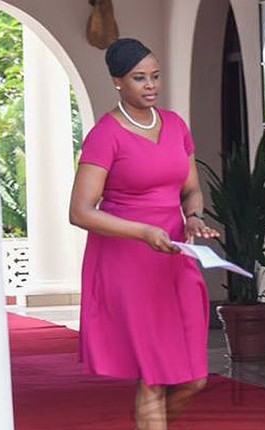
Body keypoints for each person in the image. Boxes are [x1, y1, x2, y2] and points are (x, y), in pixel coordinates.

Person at [69, 38, 219, 430]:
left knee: (195, 378)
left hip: (175, 259)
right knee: (153, 377)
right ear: (118, 82)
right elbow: (80, 211)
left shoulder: (175, 125)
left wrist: (194, 218)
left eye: (155, 76)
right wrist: (142, 232)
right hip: (129, 262)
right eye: (140, 78)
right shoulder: (106, 135)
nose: (151, 85)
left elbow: (191, 189)